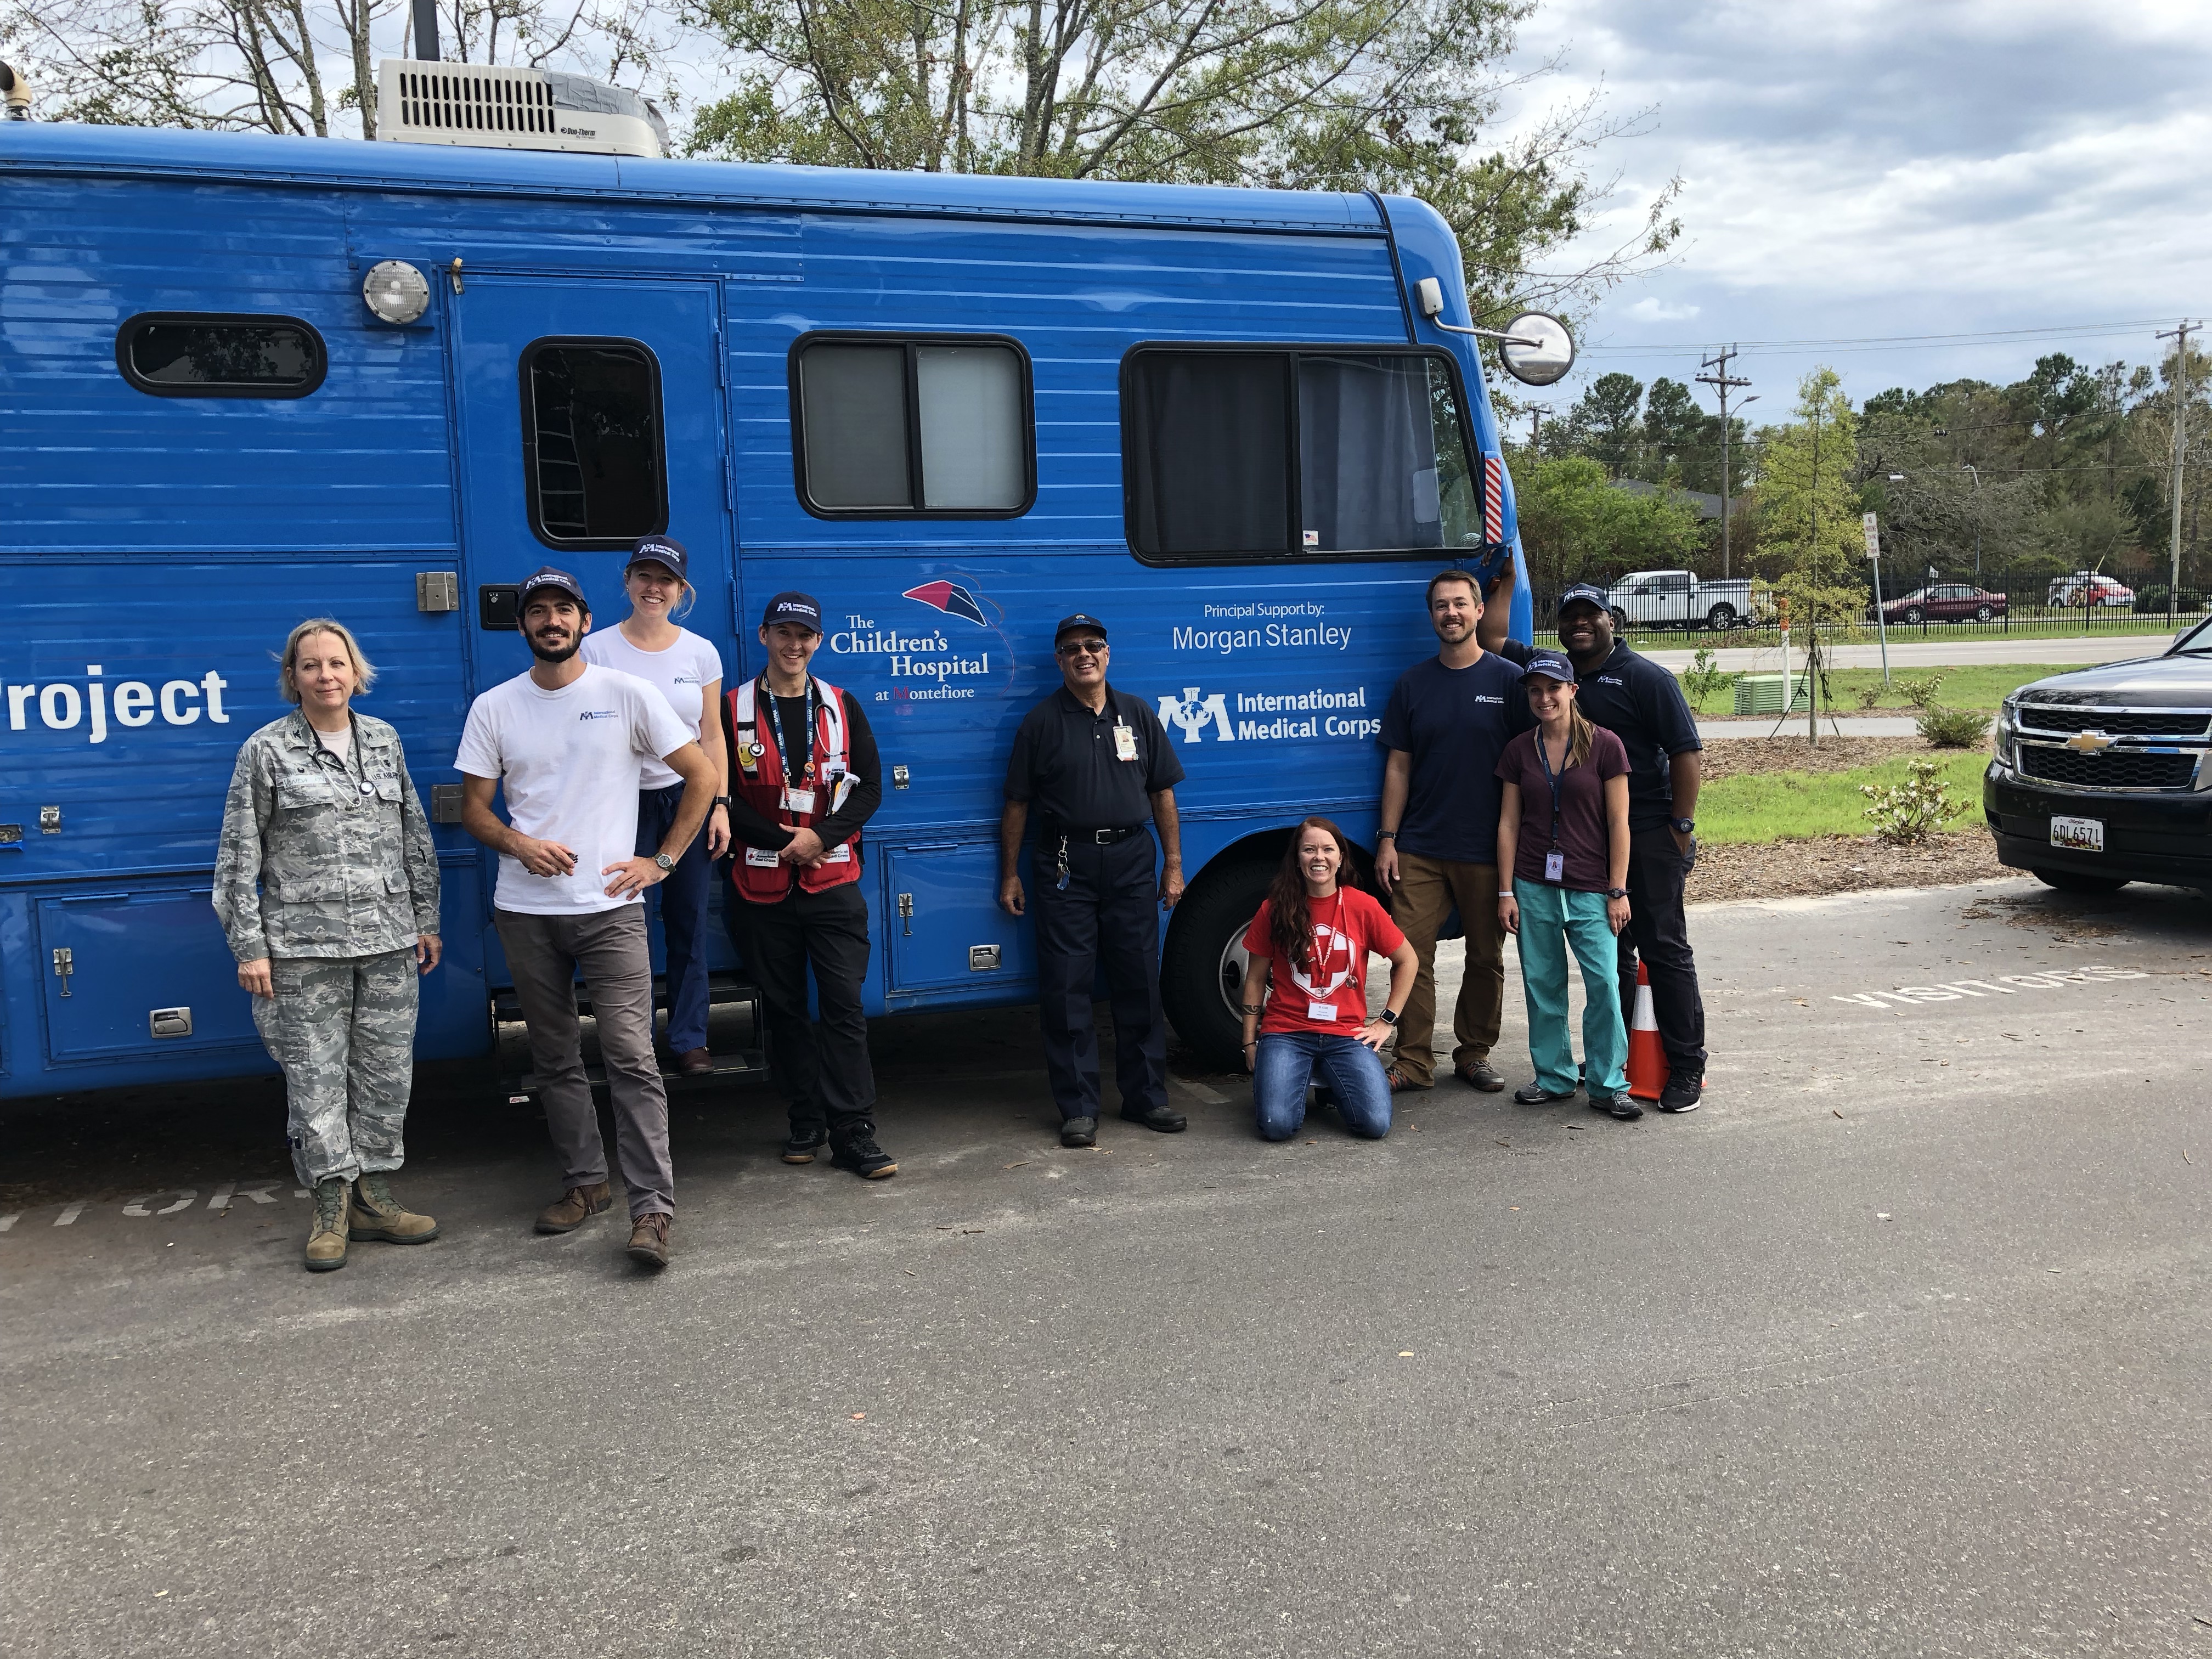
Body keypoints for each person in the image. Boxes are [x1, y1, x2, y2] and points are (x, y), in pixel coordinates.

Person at [456, 567, 715, 1269]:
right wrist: (517, 841)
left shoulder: (625, 694)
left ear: (583, 619)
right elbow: (475, 809)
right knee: (555, 1059)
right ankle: (585, 1186)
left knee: (632, 1057)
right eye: (537, 611)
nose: (551, 621)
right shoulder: (495, 708)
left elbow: (703, 775)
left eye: (562, 610)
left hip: (610, 912)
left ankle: (652, 1211)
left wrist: (659, 864)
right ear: (523, 627)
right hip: (525, 911)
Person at [213, 618, 443, 1272]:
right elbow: (238, 855)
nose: (326, 676)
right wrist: (249, 946)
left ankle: (375, 1196)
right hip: (303, 950)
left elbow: (414, 834)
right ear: (293, 677)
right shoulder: (266, 751)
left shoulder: (383, 740)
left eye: (336, 663)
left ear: (355, 670)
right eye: (311, 666)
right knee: (315, 1081)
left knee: (384, 1075)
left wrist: (426, 918)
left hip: (389, 942)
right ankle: (330, 1206)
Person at [1486, 572, 1708, 1111]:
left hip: (1649, 832)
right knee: (1617, 960)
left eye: (1592, 615)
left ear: (1613, 620)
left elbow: (1686, 754)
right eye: (1570, 617)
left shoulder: (1645, 678)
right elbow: (1491, 638)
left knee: (1664, 948)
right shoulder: (1549, 672)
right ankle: (1619, 1061)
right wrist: (1507, 575)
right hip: (1583, 846)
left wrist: (1681, 827)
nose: (1580, 624)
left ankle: (1687, 1067)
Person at [717, 591, 894, 1180]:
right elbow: (720, 797)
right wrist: (778, 836)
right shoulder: (729, 709)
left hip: (833, 881)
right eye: (784, 633)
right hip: (760, 887)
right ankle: (805, 1118)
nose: (795, 645)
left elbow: (869, 789)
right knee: (785, 1009)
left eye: (806, 636)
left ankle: (854, 1130)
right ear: (764, 636)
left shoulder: (844, 706)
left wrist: (819, 837)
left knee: (844, 1006)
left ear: (819, 642)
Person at [999, 613, 1187, 1149]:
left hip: (1132, 859)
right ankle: (1078, 1107)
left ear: (1108, 655)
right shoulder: (1040, 724)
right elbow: (1016, 804)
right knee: (1066, 989)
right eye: (1073, 648)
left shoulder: (1137, 714)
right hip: (1066, 863)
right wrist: (1009, 873)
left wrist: (1172, 863)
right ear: (1059, 661)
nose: (1085, 654)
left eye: (1093, 646)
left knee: (1138, 983)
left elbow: (1163, 794)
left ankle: (1147, 1097)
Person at [1372, 569, 1534, 1094]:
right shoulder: (1413, 684)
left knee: (1485, 957)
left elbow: (1528, 766)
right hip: (1420, 847)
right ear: (1432, 616)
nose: (1451, 614)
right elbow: (1399, 765)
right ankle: (1413, 1061)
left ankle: (1474, 1053)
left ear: (1479, 611)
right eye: (1441, 606)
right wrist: (1388, 838)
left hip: (1488, 850)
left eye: (1461, 604)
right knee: (1410, 955)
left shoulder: (1510, 681)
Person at [578, 536, 729, 1076]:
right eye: (644, 576)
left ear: (680, 589)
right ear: (628, 582)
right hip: (622, 804)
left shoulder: (700, 652)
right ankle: (632, 1038)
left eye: (665, 579)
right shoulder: (595, 649)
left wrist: (720, 806)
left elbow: (712, 736)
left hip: (687, 801)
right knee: (623, 923)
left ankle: (689, 1037)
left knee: (688, 921)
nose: (653, 588)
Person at [1494, 650, 1639, 1120]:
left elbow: (1620, 822)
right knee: (1542, 983)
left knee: (1604, 984)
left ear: (1573, 691)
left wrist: (1618, 889)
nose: (1544, 698)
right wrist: (1506, 891)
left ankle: (1607, 1082)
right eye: (1535, 691)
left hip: (1591, 884)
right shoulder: (1519, 749)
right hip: (1534, 881)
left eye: (1553, 689)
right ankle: (1554, 1077)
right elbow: (1509, 825)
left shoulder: (1605, 746)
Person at [1235, 818, 1417, 1142]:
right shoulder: (1274, 909)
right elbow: (1255, 978)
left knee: (1375, 1125)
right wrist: (1250, 1041)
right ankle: (1306, 1081)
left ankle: (1332, 1086)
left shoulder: (1363, 906)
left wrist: (1386, 1021)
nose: (1319, 857)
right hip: (1287, 1032)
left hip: (1347, 1034)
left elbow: (1408, 961)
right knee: (1276, 1126)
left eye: (1327, 849)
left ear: (1341, 858)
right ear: (1297, 859)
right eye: (1309, 850)